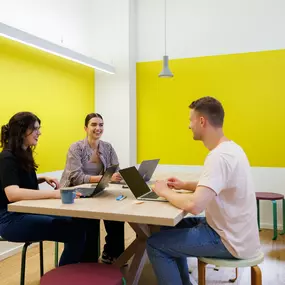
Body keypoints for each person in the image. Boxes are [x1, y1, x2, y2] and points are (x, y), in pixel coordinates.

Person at [147, 96, 261, 285]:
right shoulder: (232, 149)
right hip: (237, 233)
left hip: (229, 241)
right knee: (169, 225)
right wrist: (184, 185)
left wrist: (163, 191)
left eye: (190, 120)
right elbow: (217, 184)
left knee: (155, 244)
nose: (189, 126)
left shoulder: (218, 156)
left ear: (201, 121)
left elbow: (194, 205)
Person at [0, 112, 88, 266]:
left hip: (25, 212)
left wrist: (41, 178)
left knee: (77, 223)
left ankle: (74, 271)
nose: (39, 132)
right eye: (35, 129)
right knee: (75, 232)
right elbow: (13, 193)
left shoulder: (22, 153)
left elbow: (17, 182)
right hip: (10, 220)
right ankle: (64, 278)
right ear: (22, 131)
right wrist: (55, 194)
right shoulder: (7, 158)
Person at [60, 113, 125, 264]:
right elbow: (75, 177)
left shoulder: (107, 147)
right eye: (94, 125)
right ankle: (88, 261)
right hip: (76, 194)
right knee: (90, 220)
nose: (98, 128)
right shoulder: (76, 148)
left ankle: (112, 254)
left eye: (101, 125)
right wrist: (105, 178)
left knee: (117, 215)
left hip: (99, 191)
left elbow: (115, 169)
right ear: (85, 128)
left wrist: (117, 175)